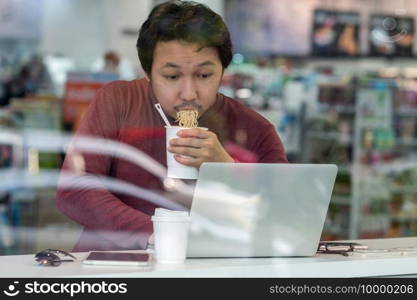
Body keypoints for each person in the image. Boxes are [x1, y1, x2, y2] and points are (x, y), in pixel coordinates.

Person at [56, 0, 287, 252]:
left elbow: (284, 217)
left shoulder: (255, 129)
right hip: (114, 265)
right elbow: (75, 189)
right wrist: (158, 234)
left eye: (204, 75)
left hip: (214, 268)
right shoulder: (119, 101)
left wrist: (227, 168)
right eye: (172, 77)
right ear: (147, 72)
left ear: (223, 71)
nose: (188, 94)